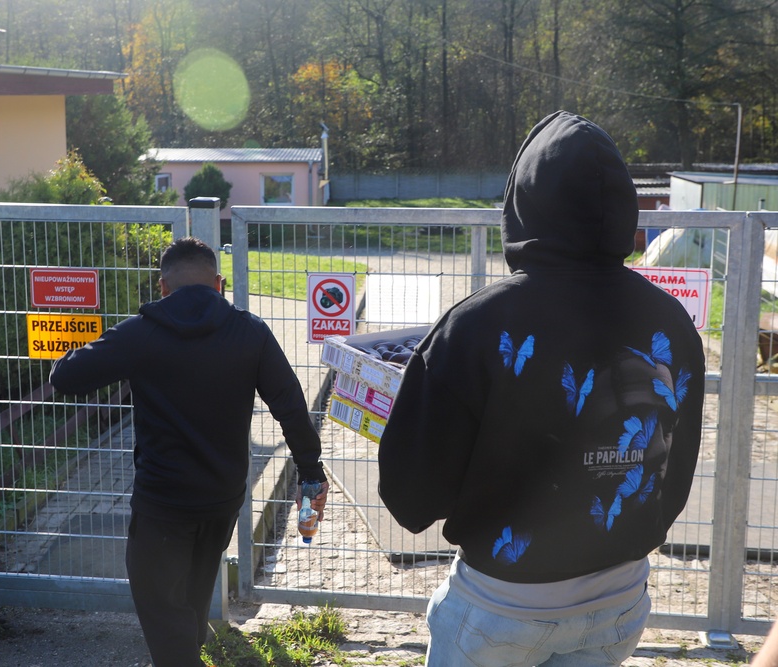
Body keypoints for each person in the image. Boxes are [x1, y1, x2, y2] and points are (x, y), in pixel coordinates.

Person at [378, 111, 705, 667]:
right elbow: (674, 467)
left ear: (522, 202)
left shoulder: (476, 325)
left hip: (503, 604)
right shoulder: (670, 321)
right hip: (621, 594)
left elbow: (411, 498)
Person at [49, 237, 328, 667]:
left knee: (159, 598)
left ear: (162, 287)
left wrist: (88, 337)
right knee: (195, 588)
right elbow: (291, 406)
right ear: (218, 284)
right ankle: (187, 648)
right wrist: (311, 475)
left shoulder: (140, 333)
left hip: (164, 500)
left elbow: (65, 377)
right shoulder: (251, 332)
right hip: (223, 498)